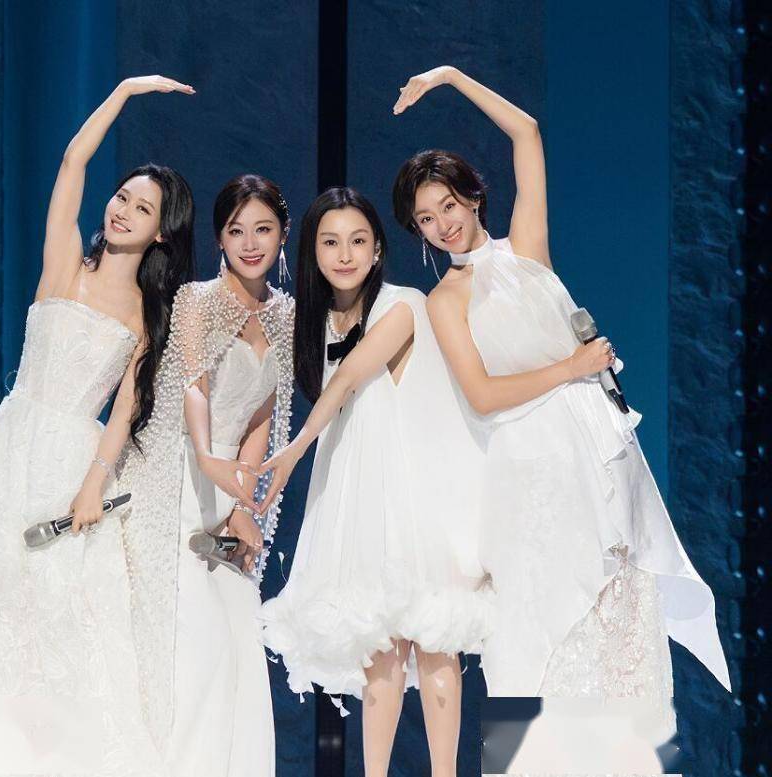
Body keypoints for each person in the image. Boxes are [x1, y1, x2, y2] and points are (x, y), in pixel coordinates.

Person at [391, 64, 730, 714]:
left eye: (448, 206)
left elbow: (526, 132)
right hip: (528, 464)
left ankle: (626, 752)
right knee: (539, 622)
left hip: (594, 445)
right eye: (426, 219)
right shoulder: (445, 299)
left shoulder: (527, 248)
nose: (442, 224)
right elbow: (482, 394)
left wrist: (452, 78)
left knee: (618, 606)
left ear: (472, 198)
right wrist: (569, 369)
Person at [0, 75, 195, 776]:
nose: (123, 210)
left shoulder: (146, 315)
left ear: (161, 232)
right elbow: (72, 162)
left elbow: (125, 411)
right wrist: (124, 92)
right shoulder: (66, 266)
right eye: (122, 197)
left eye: (142, 208)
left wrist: (94, 483)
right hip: (10, 449)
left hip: (74, 463)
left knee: (64, 616)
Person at [259, 187, 491, 777]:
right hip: (363, 495)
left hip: (418, 493)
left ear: (378, 248)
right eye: (331, 242)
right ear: (312, 251)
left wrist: (292, 453)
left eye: (358, 241)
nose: (345, 255)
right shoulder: (314, 322)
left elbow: (349, 379)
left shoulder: (404, 303)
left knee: (434, 640)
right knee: (379, 648)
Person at [117, 175, 295, 777]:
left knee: (234, 647)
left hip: (229, 488)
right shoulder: (198, 300)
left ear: (283, 235)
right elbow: (194, 386)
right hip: (179, 477)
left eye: (263, 230)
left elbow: (262, 414)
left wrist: (244, 503)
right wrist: (208, 458)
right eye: (236, 231)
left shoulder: (285, 315)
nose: (250, 243)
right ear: (219, 238)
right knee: (192, 644)